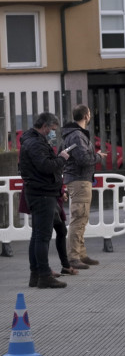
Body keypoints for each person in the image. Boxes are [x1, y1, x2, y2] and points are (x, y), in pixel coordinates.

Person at [19, 112, 70, 288]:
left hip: (39, 191)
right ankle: (44, 275)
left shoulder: (32, 141)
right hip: (42, 193)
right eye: (52, 130)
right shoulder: (35, 143)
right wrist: (61, 159)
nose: (53, 133)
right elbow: (46, 166)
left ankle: (36, 274)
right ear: (45, 126)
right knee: (43, 236)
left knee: (37, 235)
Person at [61, 104, 107, 269]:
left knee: (82, 218)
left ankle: (81, 253)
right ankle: (74, 256)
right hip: (79, 180)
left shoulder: (74, 134)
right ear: (87, 116)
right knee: (78, 218)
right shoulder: (77, 136)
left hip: (80, 179)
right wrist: (98, 156)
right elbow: (84, 159)